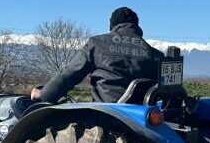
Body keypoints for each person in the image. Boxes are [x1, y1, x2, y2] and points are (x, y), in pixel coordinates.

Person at [30, 7, 164, 104]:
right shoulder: (156, 54)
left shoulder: (97, 44)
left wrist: (44, 94)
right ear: (136, 26)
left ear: (113, 26)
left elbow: (70, 74)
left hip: (106, 115)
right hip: (143, 118)